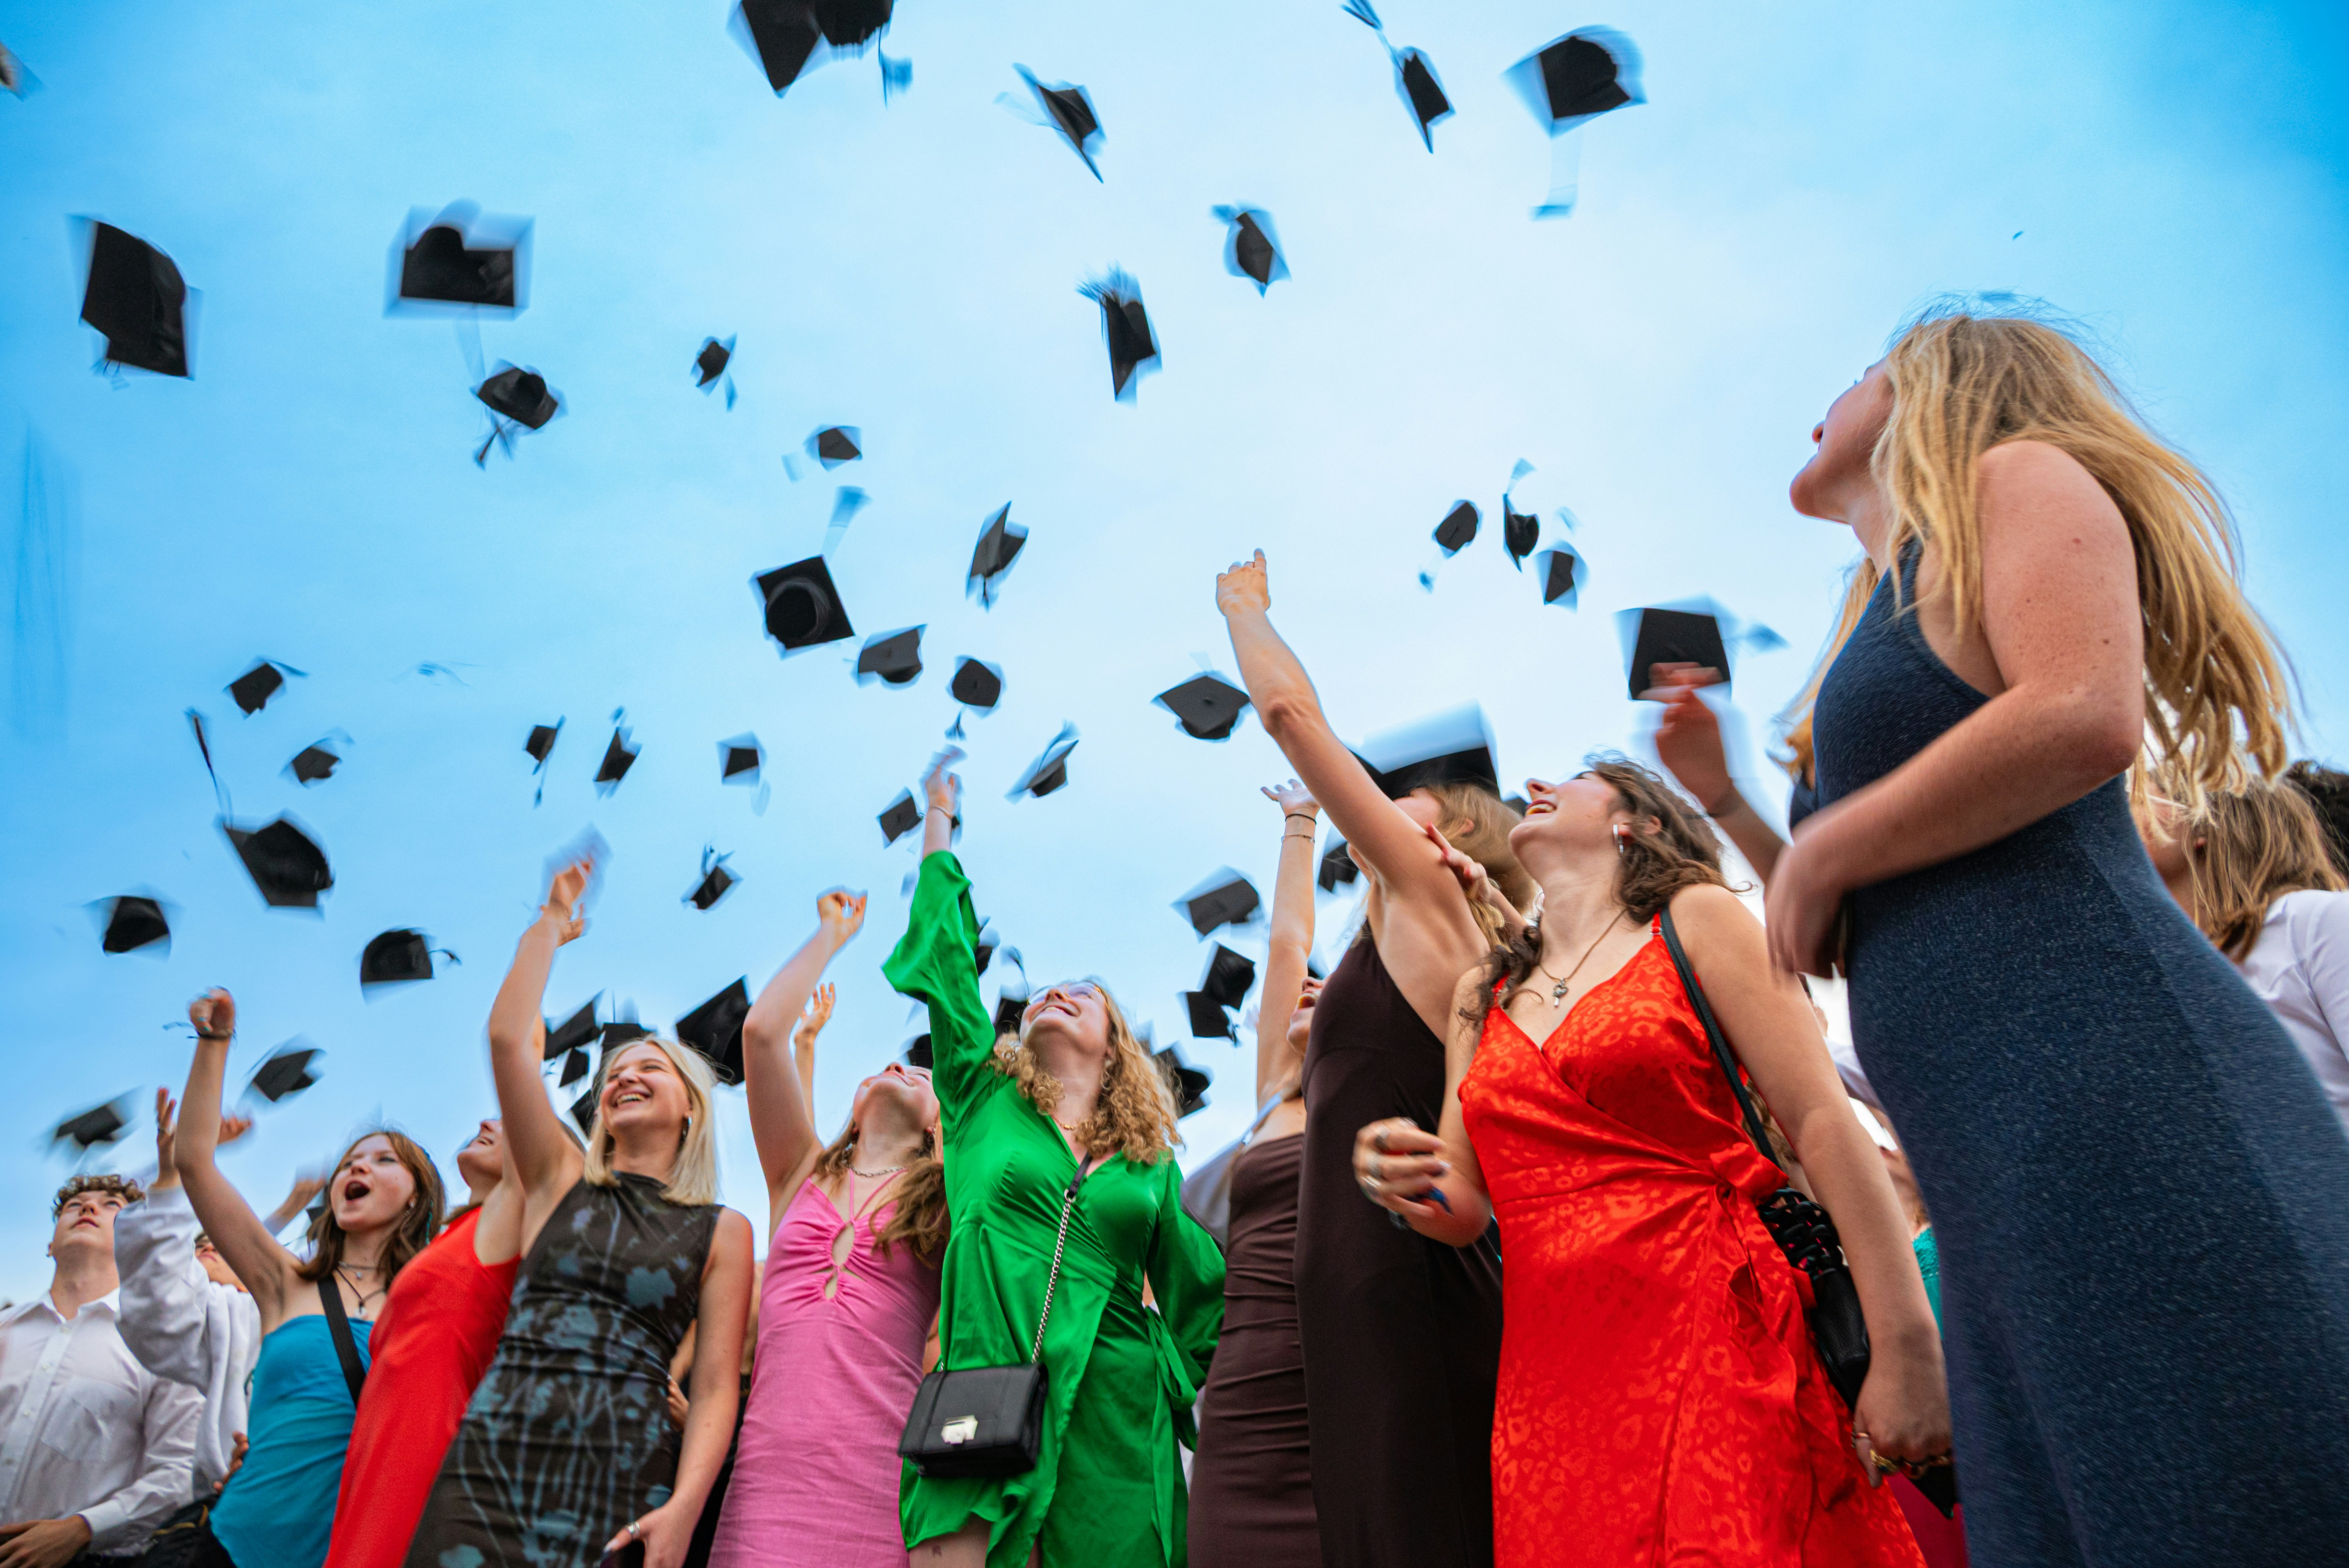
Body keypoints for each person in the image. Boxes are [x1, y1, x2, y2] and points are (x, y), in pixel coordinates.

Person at [1766, 298, 2349, 1565]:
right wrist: (1743, 813)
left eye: (1864, 368)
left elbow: (2085, 710)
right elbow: (1838, 909)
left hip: (2115, 1109)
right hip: (1994, 1171)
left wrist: (1821, 848)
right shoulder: (1876, 607)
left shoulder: (2012, 473)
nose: (1829, 392)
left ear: (1933, 387)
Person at [1355, 758, 1943, 1567]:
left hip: (1712, 1325)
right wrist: (1398, 1172)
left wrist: (1906, 1343)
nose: (1535, 777)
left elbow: (1818, 1119)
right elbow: (1462, 1206)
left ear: (1639, 821)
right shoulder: (1478, 996)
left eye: (1577, 774)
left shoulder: (1694, 917)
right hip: (1552, 1386)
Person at [1216, 551, 1521, 1568]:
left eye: (1407, 797)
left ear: (1458, 826)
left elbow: (1292, 718)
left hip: (1404, 1284)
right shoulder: (1404, 932)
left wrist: (1242, 608)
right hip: (1363, 1299)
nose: (1380, 803)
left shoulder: (1437, 903)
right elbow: (1291, 944)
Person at [889, 748, 1224, 1568]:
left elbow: (1202, 1295)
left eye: (1084, 993)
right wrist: (939, 821)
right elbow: (942, 958)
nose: (1054, 992)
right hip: (987, 1392)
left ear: (1116, 1049)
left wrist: (1163, 1378)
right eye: (1043, 988)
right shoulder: (977, 1098)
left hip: (1112, 1413)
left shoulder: (1147, 1164)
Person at [405, 855, 753, 1568]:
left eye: (650, 1067)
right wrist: (549, 922)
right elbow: (508, 1039)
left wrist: (685, 1509)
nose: (625, 1073)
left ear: (690, 1106)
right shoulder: (558, 1176)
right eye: (616, 1071)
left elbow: (716, 1385)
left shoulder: (724, 1229)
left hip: (624, 1486)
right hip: (490, 1471)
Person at [706, 888, 948, 1568]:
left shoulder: (946, 1205)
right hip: (765, 1489)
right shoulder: (798, 1175)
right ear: (854, 1099)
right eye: (892, 1063)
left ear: (941, 1125)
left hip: (881, 1483)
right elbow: (760, 1035)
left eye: (924, 1076)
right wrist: (829, 936)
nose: (903, 1066)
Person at [169, 989, 446, 1568]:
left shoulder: (433, 1302)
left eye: (382, 1160)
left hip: (366, 1549)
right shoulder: (284, 1280)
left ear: (417, 1193)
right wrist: (214, 1044)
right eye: (350, 1162)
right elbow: (195, 1160)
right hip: (240, 1539)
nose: (358, 1167)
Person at [1185, 779, 1322, 1568]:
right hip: (1244, 1389)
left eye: (1325, 983)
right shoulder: (1274, 1093)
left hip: (1353, 1372)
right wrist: (1299, 821)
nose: (1306, 985)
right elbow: (1285, 945)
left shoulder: (1397, 1091)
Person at [321, 1119, 523, 1568]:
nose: (486, 1122)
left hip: (428, 1456)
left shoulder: (514, 1215)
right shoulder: (454, 1237)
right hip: (377, 1458)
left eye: (509, 1122)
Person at [0, 1176, 202, 1568]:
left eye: (111, 1204)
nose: (88, 1207)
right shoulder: (5, 1330)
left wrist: (82, 1528)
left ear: (137, 1241)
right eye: (74, 1205)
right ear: (49, 1244)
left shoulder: (163, 1345)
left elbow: (179, 1470)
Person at [2142, 776, 2349, 1137]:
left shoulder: (2315, 919)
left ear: (2199, 820)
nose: (2117, 818)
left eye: (2141, 795)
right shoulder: (2169, 973)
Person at [115, 1096, 268, 1500]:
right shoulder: (215, 1323)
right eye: (201, 1247)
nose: (209, 1250)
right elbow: (160, 1288)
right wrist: (175, 1171)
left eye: (219, 1246)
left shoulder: (292, 1306)